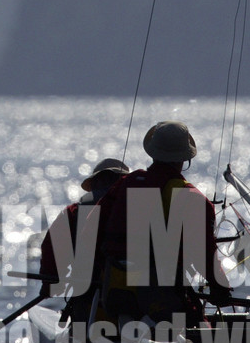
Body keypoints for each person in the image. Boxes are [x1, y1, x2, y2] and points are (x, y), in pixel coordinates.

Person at [89, 121, 232, 324]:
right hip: (159, 303)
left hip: (115, 297)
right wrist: (221, 289)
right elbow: (205, 254)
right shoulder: (192, 198)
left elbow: (92, 228)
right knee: (202, 328)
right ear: (185, 159)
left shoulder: (126, 183)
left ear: (153, 153)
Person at [37, 157, 129, 300]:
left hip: (86, 295)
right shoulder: (140, 209)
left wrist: (51, 282)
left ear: (94, 184)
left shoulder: (73, 213)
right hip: (129, 296)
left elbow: (52, 249)